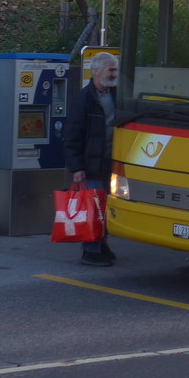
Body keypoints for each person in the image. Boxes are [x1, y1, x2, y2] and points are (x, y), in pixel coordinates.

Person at [64, 51, 118, 267]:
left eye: (115, 70)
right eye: (111, 70)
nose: (115, 74)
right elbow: (72, 135)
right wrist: (76, 167)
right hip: (92, 164)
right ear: (96, 71)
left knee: (104, 208)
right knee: (93, 208)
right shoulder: (84, 99)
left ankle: (100, 243)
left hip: (110, 163)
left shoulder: (115, 95)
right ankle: (90, 250)